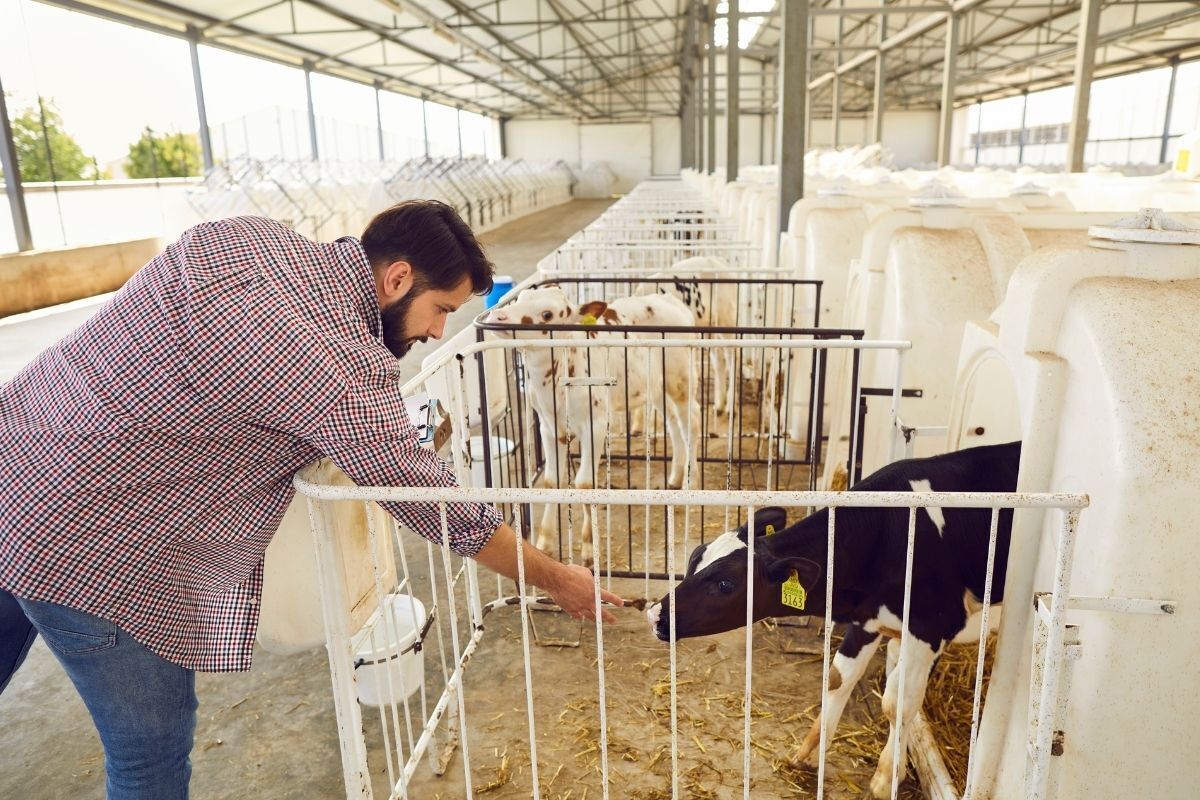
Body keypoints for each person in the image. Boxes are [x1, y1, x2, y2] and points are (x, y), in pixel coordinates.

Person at [0, 200, 622, 799]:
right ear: (397, 276)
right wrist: (557, 578)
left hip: (16, 451)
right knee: (148, 752)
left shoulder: (248, 237)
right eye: (440, 309)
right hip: (86, 546)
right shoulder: (334, 363)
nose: (437, 332)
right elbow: (434, 502)